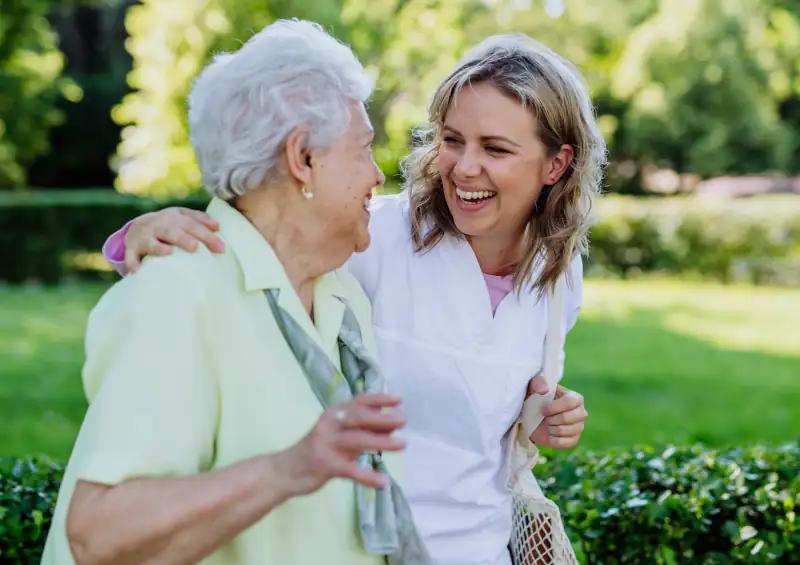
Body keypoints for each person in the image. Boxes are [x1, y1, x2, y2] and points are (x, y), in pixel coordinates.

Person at [101, 32, 604, 565]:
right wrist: (149, 232)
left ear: (556, 165)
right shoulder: (377, 235)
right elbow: (255, 249)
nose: (463, 166)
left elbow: (489, 407)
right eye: (452, 139)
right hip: (368, 549)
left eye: (495, 148)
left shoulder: (557, 275)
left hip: (483, 549)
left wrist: (540, 414)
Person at [41, 19, 430, 565]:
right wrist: (290, 468)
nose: (375, 175)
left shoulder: (341, 297)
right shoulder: (178, 292)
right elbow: (99, 534)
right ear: (302, 159)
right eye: (363, 149)